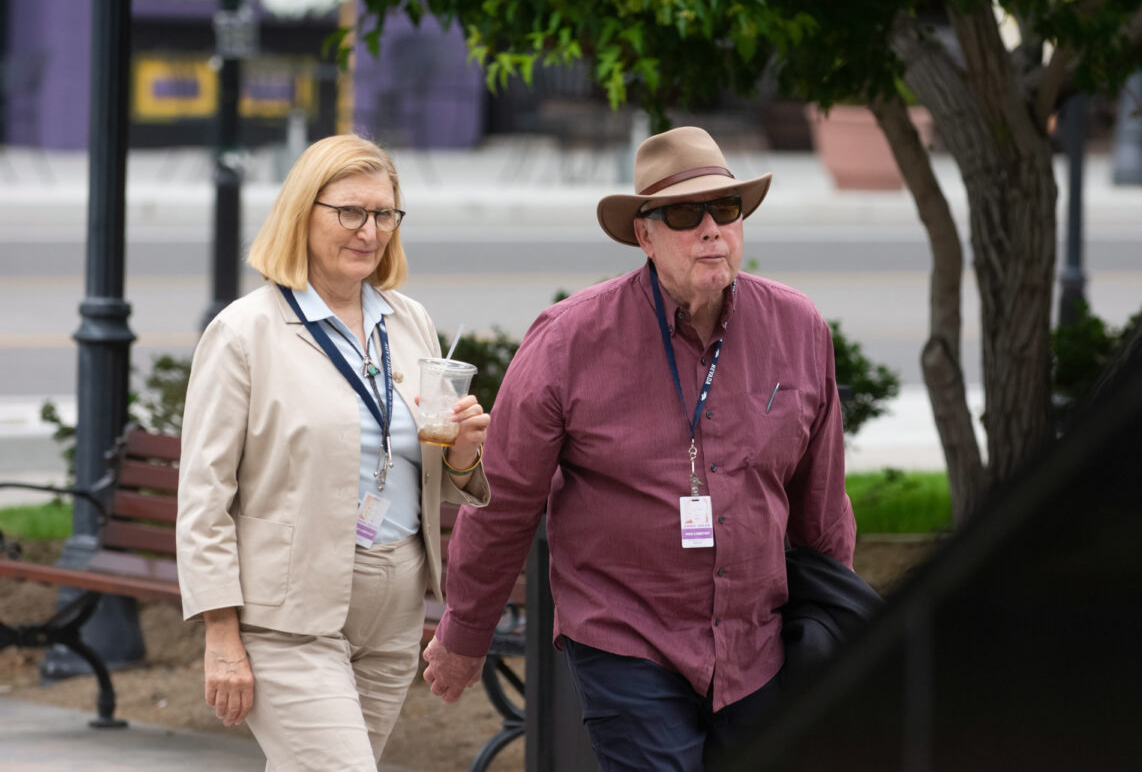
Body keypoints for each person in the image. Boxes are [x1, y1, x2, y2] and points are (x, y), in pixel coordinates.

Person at [423, 126, 856, 770]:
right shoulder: (570, 341)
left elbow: (821, 507)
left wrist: (835, 628)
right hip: (626, 636)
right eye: (685, 214)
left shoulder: (797, 329)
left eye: (726, 210)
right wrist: (464, 634)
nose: (712, 229)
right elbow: (507, 500)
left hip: (756, 645)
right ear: (644, 235)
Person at [176, 133, 490, 771]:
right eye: (350, 211)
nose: (369, 231)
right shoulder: (245, 332)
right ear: (302, 212)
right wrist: (221, 634)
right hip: (290, 613)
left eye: (383, 214)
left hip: (395, 606)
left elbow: (426, 468)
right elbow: (204, 499)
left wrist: (461, 453)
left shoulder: (408, 322)